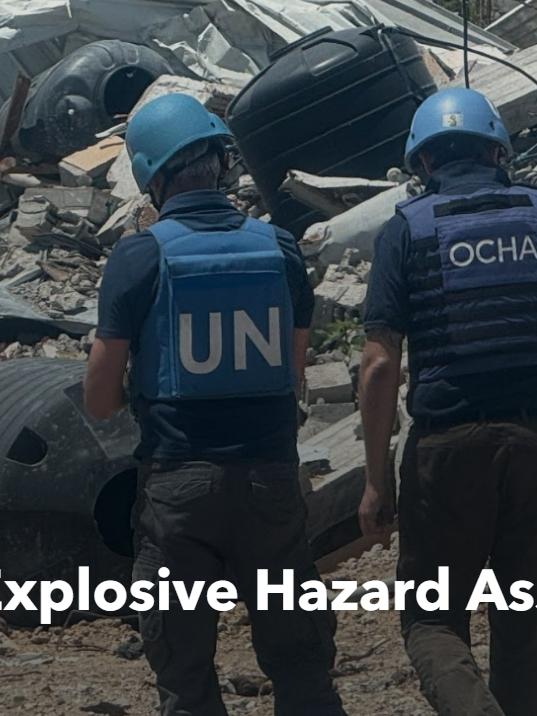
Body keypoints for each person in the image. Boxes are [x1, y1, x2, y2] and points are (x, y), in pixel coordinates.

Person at [358, 87, 537, 716]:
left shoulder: (407, 230)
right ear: (499, 152)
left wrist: (375, 480)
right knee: (528, 626)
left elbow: (379, 365)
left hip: (447, 451)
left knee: (431, 621)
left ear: (423, 163)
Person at [82, 93, 347, 716]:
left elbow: (98, 401)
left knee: (185, 678)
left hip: (178, 490)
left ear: (150, 177)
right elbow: (291, 375)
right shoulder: (279, 248)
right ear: (224, 165)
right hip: (270, 484)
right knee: (303, 669)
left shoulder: (139, 256)